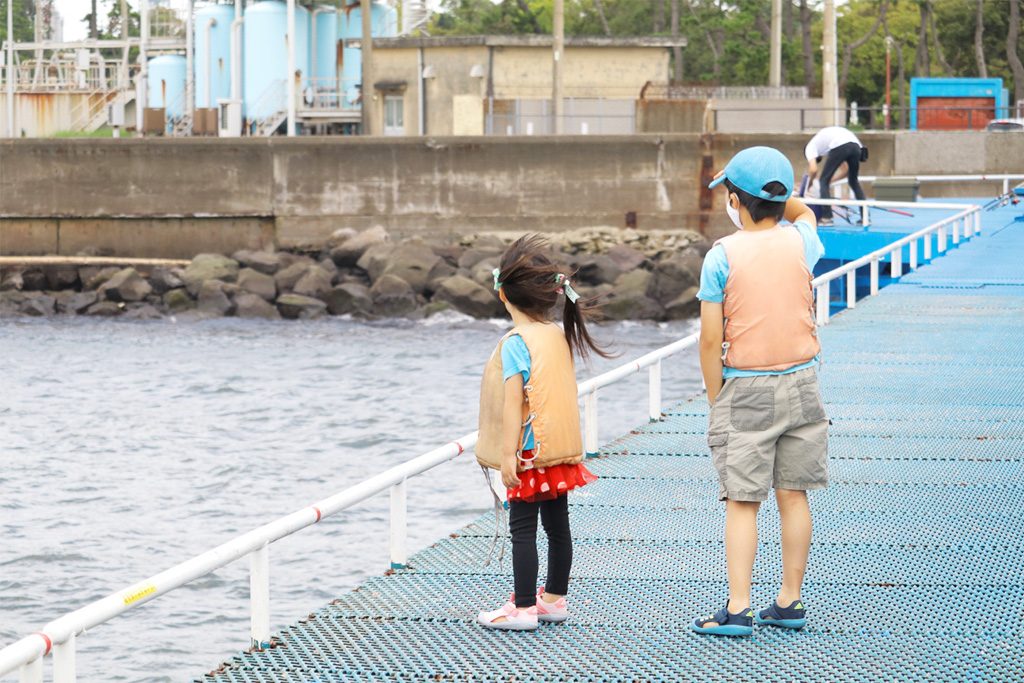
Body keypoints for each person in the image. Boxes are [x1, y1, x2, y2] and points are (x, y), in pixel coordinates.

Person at [692, 146, 830, 637]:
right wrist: (787, 197)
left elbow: (710, 339)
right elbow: (805, 212)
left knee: (742, 501)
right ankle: (790, 601)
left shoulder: (721, 256)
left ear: (736, 200)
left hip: (746, 388)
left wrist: (716, 397)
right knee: (794, 496)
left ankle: (738, 608)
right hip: (803, 383)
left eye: (729, 195)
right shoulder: (802, 243)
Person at [475, 234, 609, 632]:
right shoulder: (555, 334)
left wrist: (506, 456)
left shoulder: (518, 342)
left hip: (528, 455)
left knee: (522, 531)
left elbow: (514, 404)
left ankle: (521, 609)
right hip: (557, 453)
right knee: (557, 528)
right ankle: (553, 599)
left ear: (502, 295)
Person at [805, 125, 867, 226]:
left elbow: (813, 169)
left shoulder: (809, 148)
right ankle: (865, 216)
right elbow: (845, 170)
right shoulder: (826, 145)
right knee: (853, 181)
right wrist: (831, 180)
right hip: (856, 146)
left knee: (822, 181)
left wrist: (809, 184)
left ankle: (827, 218)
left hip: (841, 145)